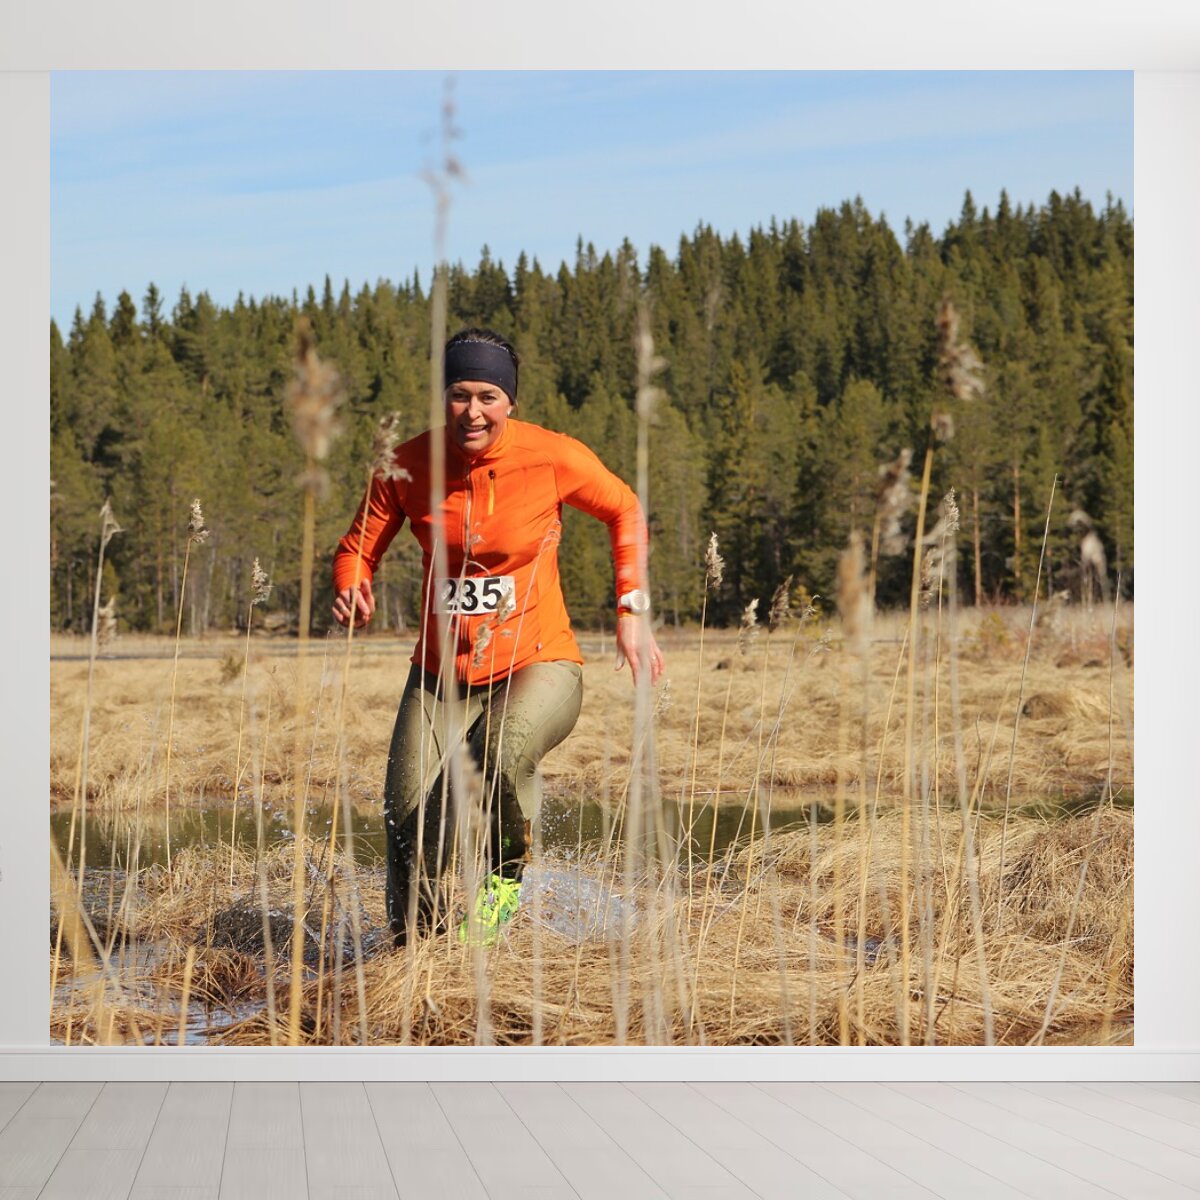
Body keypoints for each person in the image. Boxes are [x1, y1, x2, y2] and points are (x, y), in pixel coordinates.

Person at [331, 327, 664, 946]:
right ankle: (419, 954)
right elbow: (356, 548)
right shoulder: (406, 465)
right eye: (460, 395)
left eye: (488, 396)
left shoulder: (552, 457)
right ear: (444, 398)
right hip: (440, 676)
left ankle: (503, 885)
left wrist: (631, 608)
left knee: (498, 750)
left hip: (540, 662)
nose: (473, 411)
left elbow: (625, 509)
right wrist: (353, 584)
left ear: (510, 400)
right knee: (407, 823)